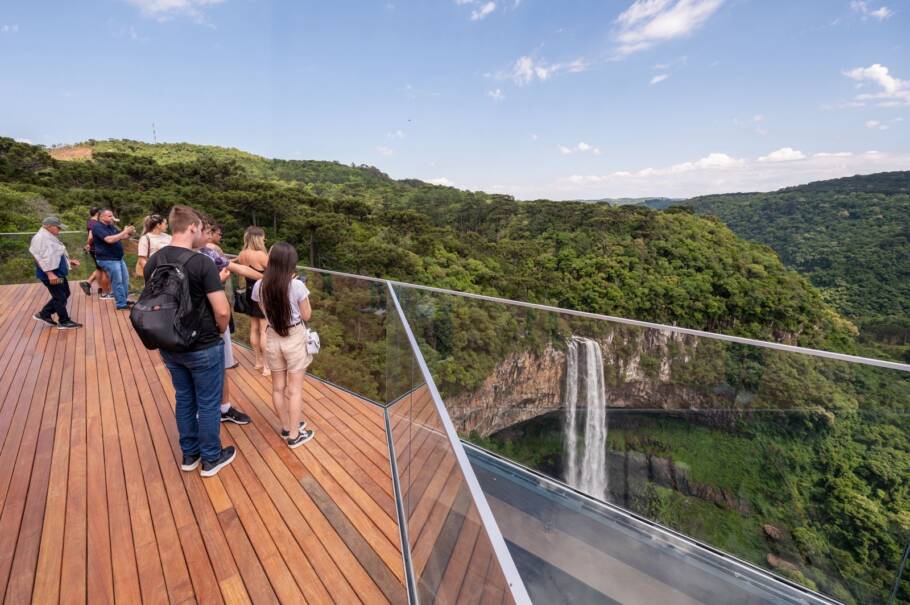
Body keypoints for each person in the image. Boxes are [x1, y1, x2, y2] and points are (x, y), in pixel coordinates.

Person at [145, 205, 235, 477]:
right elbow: (221, 310)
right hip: (203, 344)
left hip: (169, 342)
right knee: (208, 402)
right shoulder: (201, 263)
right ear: (193, 227)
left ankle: (190, 454)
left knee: (184, 398)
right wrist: (220, 332)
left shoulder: (154, 261)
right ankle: (211, 458)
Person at [252, 242, 315, 448]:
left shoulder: (259, 285)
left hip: (272, 336)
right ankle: (295, 435)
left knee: (278, 388)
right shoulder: (297, 286)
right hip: (294, 336)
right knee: (294, 390)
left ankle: (287, 426)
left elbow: (264, 311)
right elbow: (306, 315)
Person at [196, 219, 253, 426]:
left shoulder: (167, 254)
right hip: (209, 323)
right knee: (218, 367)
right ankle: (220, 412)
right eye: (208, 232)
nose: (209, 236)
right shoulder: (207, 254)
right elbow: (221, 309)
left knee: (188, 385)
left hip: (180, 329)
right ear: (194, 230)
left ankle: (209, 412)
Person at [30, 216, 83, 330]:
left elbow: (54, 254)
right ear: (48, 226)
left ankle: (44, 313)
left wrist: (69, 261)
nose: (60, 229)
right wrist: (50, 274)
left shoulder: (50, 236)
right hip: (51, 275)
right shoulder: (40, 238)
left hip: (58, 272)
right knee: (60, 297)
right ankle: (64, 321)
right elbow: (38, 258)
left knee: (65, 293)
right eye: (58, 227)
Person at [236, 226, 270, 375]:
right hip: (263, 294)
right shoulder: (261, 255)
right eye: (263, 237)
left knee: (254, 328)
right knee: (264, 330)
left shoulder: (242, 254)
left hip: (250, 293)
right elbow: (274, 271)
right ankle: (267, 367)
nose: (264, 240)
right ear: (257, 238)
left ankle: (258, 361)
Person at [92, 209, 135, 310]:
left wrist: (129, 233)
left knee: (125, 279)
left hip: (118, 258)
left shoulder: (110, 226)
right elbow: (109, 239)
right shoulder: (97, 227)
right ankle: (121, 304)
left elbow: (121, 237)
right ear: (102, 217)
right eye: (110, 216)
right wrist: (124, 231)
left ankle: (123, 300)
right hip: (108, 259)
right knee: (117, 281)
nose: (112, 218)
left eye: (112, 216)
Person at [81, 207, 111, 297]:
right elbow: (91, 237)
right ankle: (105, 291)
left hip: (94, 249)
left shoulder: (90, 221)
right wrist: (88, 244)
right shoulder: (94, 223)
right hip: (97, 249)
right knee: (105, 270)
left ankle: (99, 287)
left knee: (99, 269)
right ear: (98, 213)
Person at [135, 214, 172, 279]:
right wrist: (152, 274)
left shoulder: (168, 237)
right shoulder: (145, 238)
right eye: (165, 224)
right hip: (154, 274)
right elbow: (142, 259)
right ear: (158, 225)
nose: (167, 226)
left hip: (168, 272)